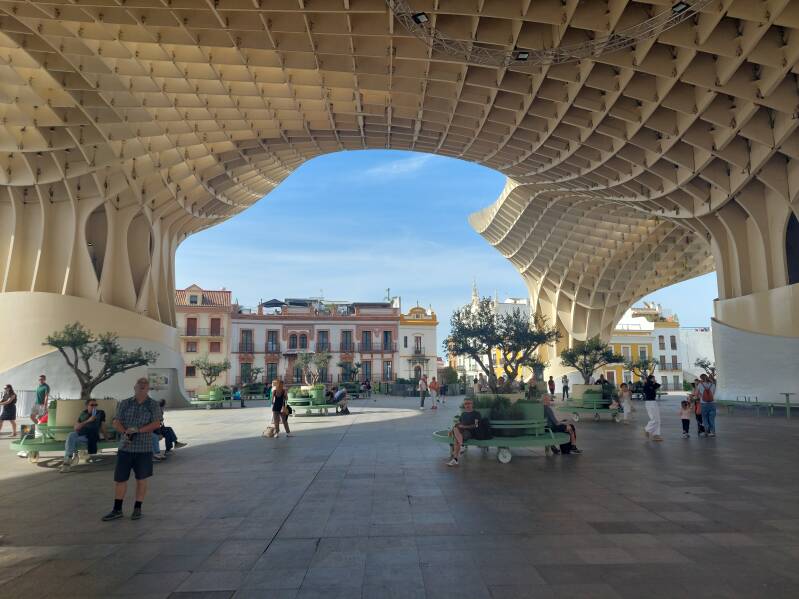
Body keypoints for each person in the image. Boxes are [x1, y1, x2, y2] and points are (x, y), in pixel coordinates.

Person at [102, 377, 163, 521]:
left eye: (145, 385)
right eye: (139, 385)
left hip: (143, 448)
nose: (142, 387)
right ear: (134, 388)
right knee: (120, 479)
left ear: (148, 389)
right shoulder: (125, 403)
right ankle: (117, 509)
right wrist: (125, 432)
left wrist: (138, 430)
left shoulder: (153, 405)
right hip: (126, 448)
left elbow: (156, 424)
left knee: (141, 479)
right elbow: (116, 421)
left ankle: (137, 508)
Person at [60, 398, 109, 473]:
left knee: (71, 440)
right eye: (92, 405)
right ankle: (68, 459)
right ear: (87, 406)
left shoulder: (100, 413)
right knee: (71, 435)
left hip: (90, 436)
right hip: (81, 434)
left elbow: (103, 426)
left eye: (96, 405)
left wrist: (106, 438)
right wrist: (88, 420)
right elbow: (76, 427)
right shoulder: (83, 413)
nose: (94, 406)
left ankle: (68, 462)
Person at [447, 398, 480, 467]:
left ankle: (455, 459)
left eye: (469, 403)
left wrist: (464, 427)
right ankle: (461, 447)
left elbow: (476, 425)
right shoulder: (463, 414)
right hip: (461, 433)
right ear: (464, 405)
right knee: (456, 431)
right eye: (466, 404)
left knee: (456, 439)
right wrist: (451, 430)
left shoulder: (476, 413)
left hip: (470, 433)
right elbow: (458, 424)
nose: (467, 405)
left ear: (472, 404)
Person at [642, 375, 662, 441]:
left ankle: (656, 435)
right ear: (650, 379)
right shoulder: (647, 384)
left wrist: (654, 382)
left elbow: (658, 385)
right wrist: (646, 382)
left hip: (654, 402)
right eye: (653, 378)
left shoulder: (652, 384)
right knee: (654, 418)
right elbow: (645, 390)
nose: (654, 379)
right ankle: (647, 429)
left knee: (658, 419)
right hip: (649, 403)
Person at [696, 373, 717, 437]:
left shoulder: (700, 384)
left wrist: (701, 396)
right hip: (712, 403)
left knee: (705, 418)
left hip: (704, 404)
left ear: (701, 378)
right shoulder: (713, 384)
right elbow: (713, 393)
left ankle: (706, 432)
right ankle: (713, 432)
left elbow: (697, 393)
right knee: (712, 419)